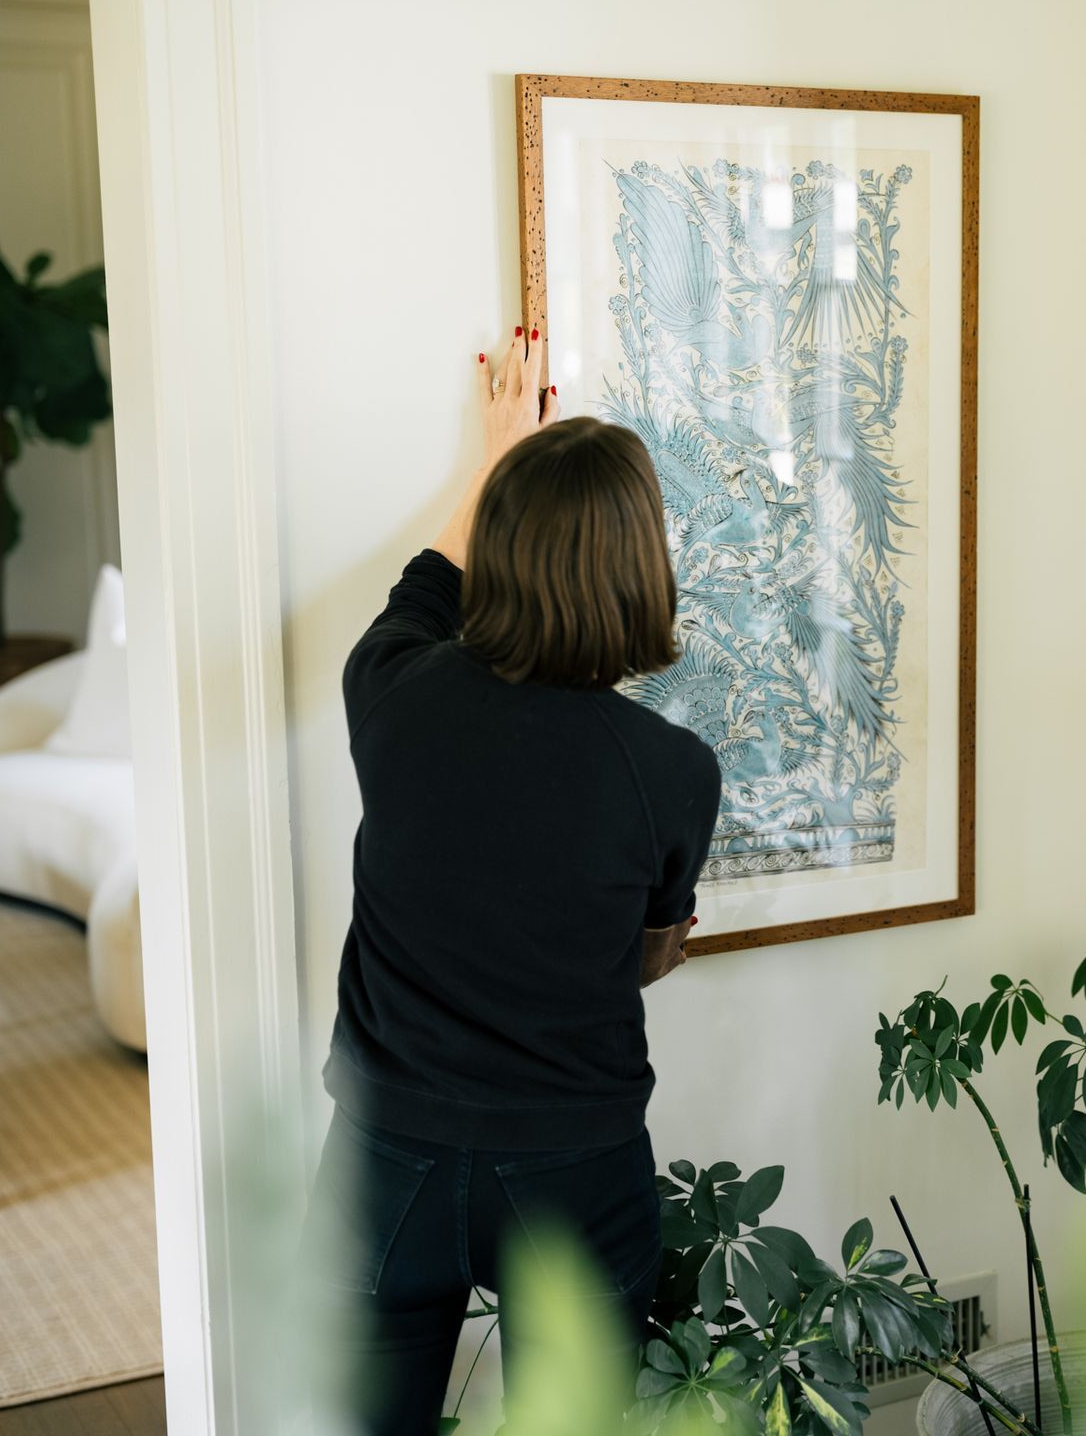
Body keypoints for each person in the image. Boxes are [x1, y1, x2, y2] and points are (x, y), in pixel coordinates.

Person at [304, 327, 721, 1434]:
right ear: (646, 568)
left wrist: (498, 451)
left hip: (384, 1163)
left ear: (504, 544)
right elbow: (643, 956)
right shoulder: (673, 772)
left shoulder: (390, 691)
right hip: (572, 1169)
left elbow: (426, 582)